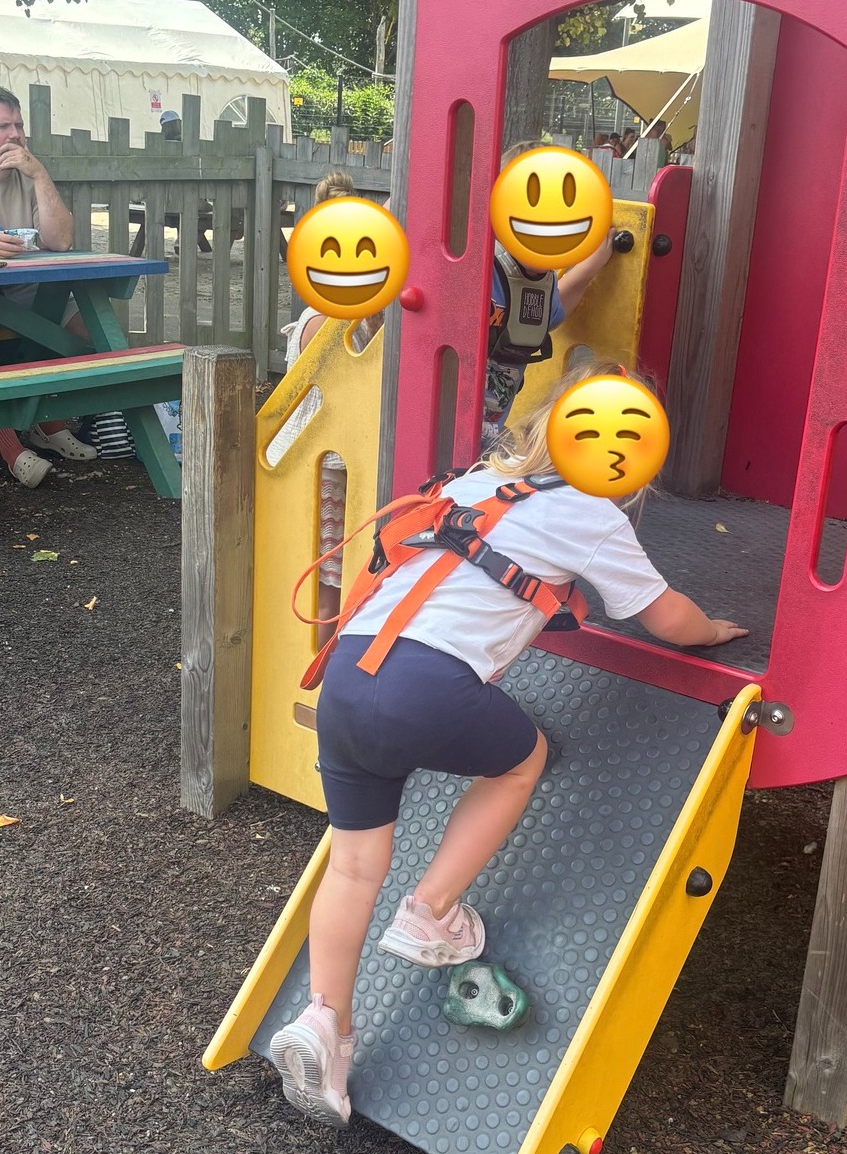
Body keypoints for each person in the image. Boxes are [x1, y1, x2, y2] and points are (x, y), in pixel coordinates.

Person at [268, 360, 748, 1127]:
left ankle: (327, 1023)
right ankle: (430, 911)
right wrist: (716, 629)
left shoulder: (468, 484)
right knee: (521, 759)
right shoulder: (592, 513)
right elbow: (667, 619)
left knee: (354, 864)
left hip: (346, 681)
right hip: (425, 684)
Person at [268, 170, 383, 638]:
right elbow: (352, 389)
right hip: (327, 461)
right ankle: (321, 658)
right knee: (330, 573)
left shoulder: (356, 314)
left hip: (338, 459)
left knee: (339, 566)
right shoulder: (327, 323)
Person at [482, 141, 614, 451]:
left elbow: (555, 311)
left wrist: (590, 266)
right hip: (447, 424)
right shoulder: (483, 265)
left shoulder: (541, 283)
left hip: (488, 433)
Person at [0, 85, 97, 488]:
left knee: (87, 327)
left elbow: (60, 240)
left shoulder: (27, 174)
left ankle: (46, 420)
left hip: (26, 294)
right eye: (4, 127)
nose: (16, 135)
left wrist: (39, 173)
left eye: (19, 125)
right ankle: (9, 445)